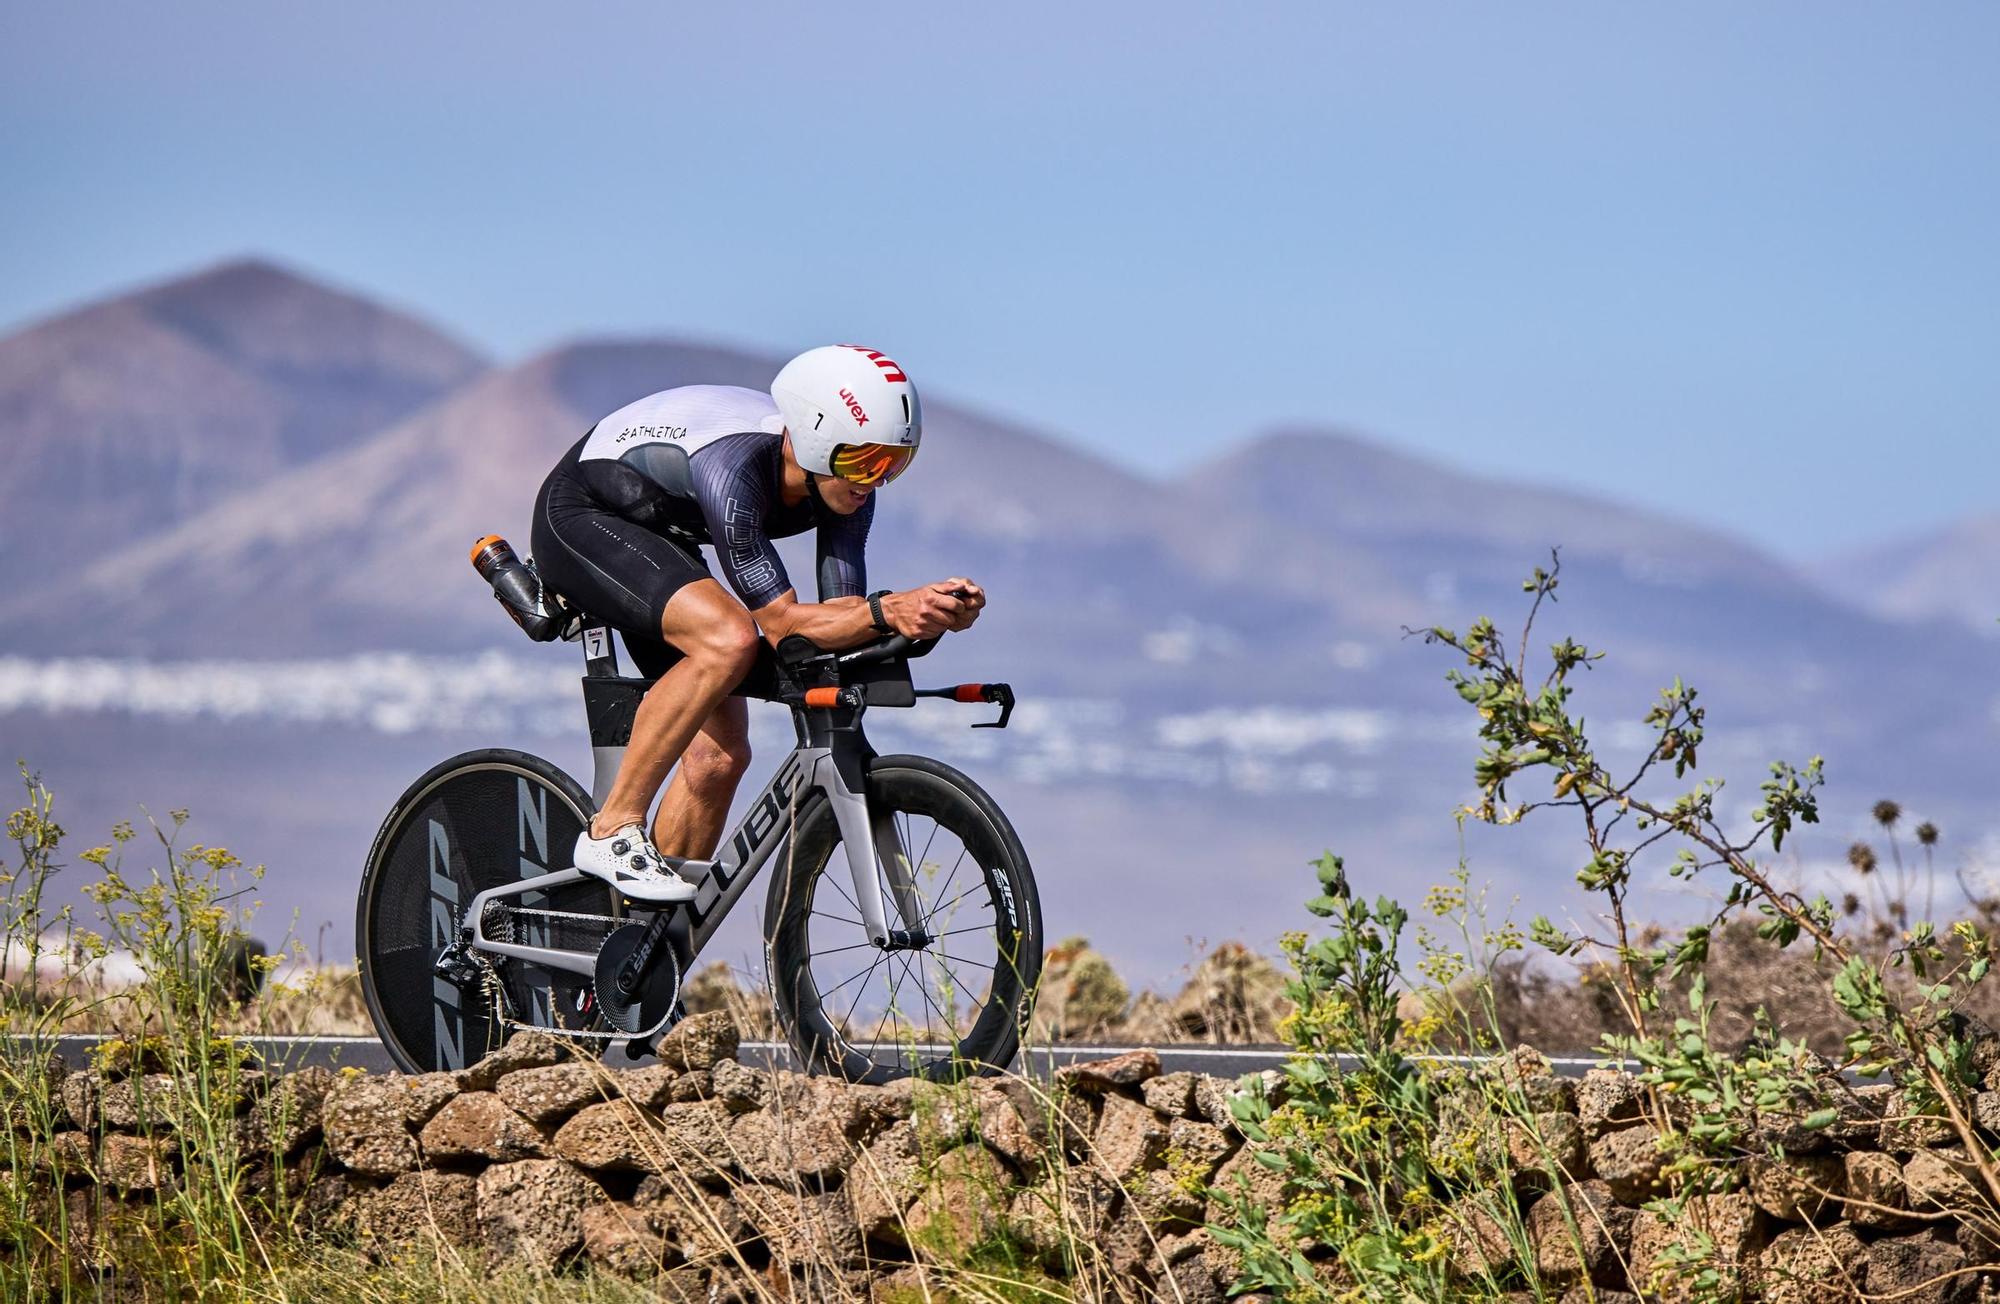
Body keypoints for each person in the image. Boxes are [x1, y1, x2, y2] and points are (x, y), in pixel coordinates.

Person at [528, 345, 984, 902]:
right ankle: (613, 828)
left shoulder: (845, 489)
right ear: (815, 439)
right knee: (729, 639)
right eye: (866, 460)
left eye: (894, 463)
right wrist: (889, 610)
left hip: (661, 530)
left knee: (719, 759)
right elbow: (785, 627)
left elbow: (837, 624)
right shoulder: (736, 470)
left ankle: (640, 957)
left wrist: (922, 620)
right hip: (584, 515)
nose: (876, 480)